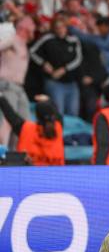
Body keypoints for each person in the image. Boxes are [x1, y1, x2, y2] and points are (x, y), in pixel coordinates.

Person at [29, 14, 82, 116]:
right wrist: (43, 63)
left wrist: (64, 69)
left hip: (71, 83)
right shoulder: (47, 38)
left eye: (63, 27)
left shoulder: (73, 39)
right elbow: (32, 51)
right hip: (54, 82)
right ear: (54, 28)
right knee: (58, 112)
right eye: (57, 28)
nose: (60, 30)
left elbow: (78, 59)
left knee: (73, 113)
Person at [0, 16, 35, 148]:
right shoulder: (13, 39)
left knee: (25, 124)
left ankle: (17, 154)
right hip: (8, 85)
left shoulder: (23, 43)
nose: (34, 25)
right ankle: (2, 154)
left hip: (19, 88)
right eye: (31, 22)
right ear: (22, 26)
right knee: (7, 121)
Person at [0, 93, 64, 166]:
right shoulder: (58, 128)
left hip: (29, 175)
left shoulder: (26, 129)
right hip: (57, 176)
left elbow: (10, 114)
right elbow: (57, 114)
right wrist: (49, 101)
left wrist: (1, 98)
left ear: (37, 116)